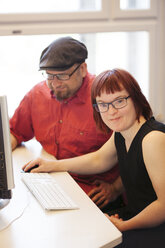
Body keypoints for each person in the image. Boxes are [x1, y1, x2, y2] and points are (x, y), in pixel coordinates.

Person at [24, 68, 165, 247]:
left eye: (119, 101)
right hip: (138, 217)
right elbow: (99, 159)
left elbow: (163, 206)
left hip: (156, 227)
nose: (111, 111)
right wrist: (52, 165)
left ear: (136, 98)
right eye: (102, 104)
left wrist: (123, 225)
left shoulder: (153, 139)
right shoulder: (122, 132)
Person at [10, 37, 123, 211]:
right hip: (53, 181)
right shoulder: (37, 94)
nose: (55, 84)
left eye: (62, 76)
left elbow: (135, 151)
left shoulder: (105, 97)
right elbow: (14, 132)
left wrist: (115, 188)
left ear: (83, 69)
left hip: (94, 194)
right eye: (49, 76)